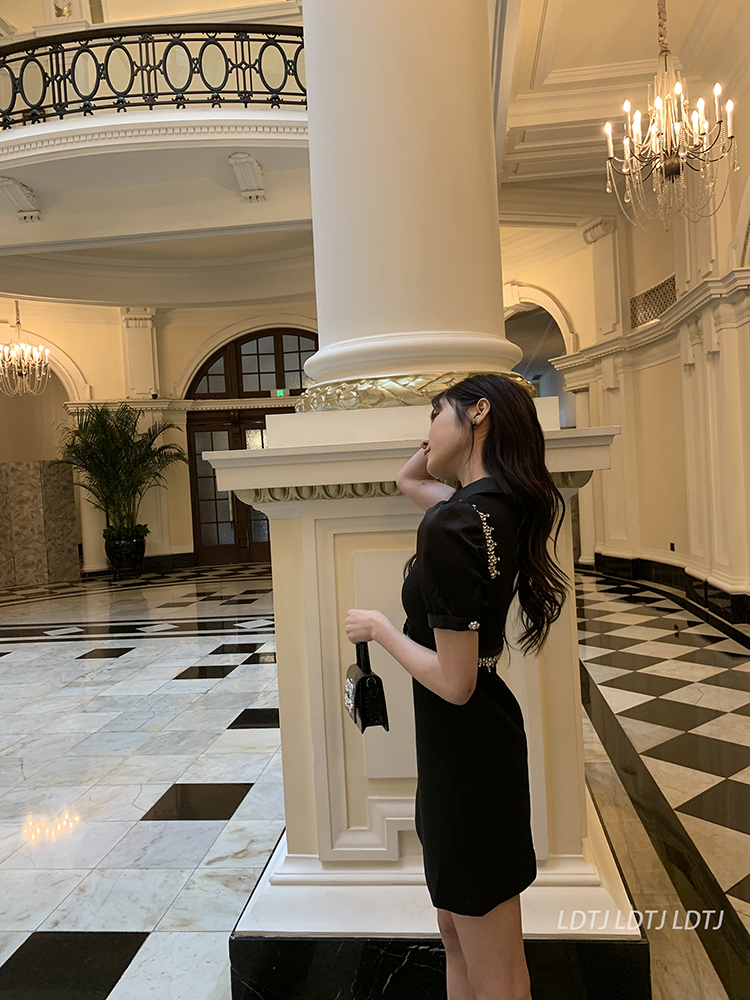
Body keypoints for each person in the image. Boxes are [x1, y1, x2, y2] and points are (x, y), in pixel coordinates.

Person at [344, 373, 569, 1000]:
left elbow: (455, 681)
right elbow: (409, 480)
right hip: (474, 746)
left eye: (433, 414)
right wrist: (443, 437)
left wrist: (380, 628)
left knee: (490, 958)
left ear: (479, 413)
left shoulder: (454, 522)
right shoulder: (495, 508)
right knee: (458, 931)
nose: (425, 433)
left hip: (467, 754)